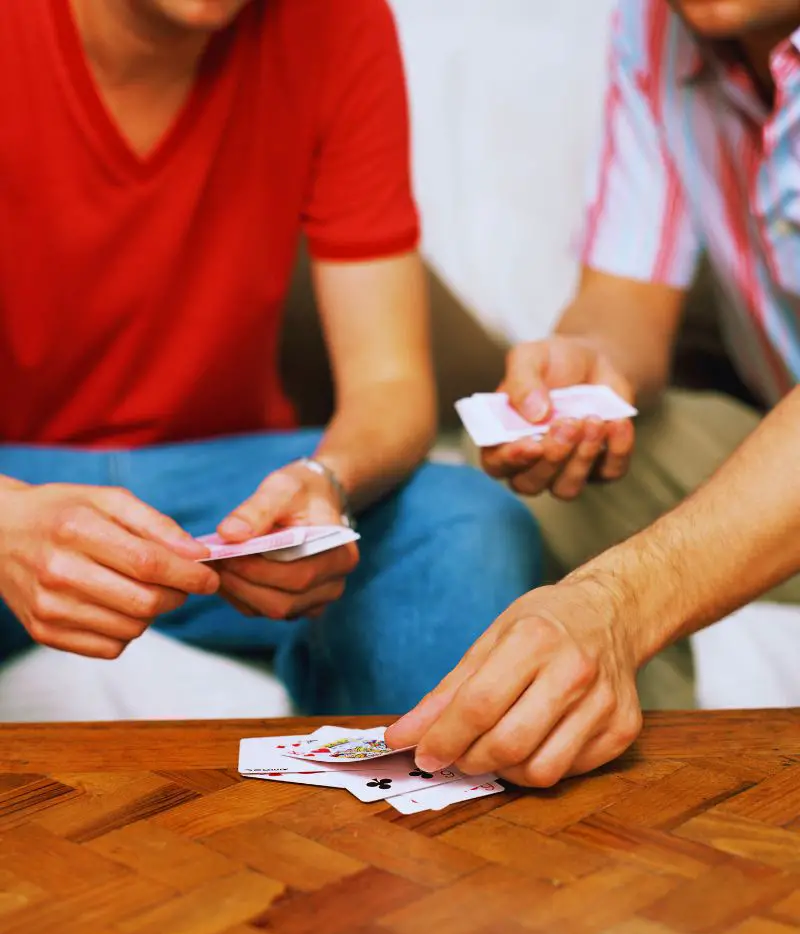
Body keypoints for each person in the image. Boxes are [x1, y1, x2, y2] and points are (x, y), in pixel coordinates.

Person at [0, 0, 541, 716]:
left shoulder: (337, 23)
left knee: (463, 525)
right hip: (11, 478)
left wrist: (329, 480)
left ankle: (419, 815)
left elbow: (389, 382)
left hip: (229, 500)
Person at [386, 0, 800, 780]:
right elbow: (629, 299)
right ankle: (642, 818)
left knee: (601, 592)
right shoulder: (657, 24)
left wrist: (621, 603)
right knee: (527, 490)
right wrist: (588, 361)